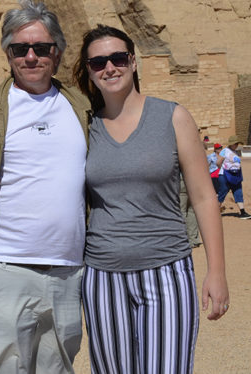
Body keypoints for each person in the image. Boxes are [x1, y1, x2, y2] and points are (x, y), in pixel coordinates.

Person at [0, 0, 91, 374]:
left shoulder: (83, 107)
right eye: (20, 48)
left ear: (56, 53)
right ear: (7, 53)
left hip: (68, 271)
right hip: (5, 268)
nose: (31, 57)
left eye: (41, 48)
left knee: (57, 368)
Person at [73, 24, 229, 374]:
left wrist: (216, 271)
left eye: (117, 58)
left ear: (133, 62)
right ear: (89, 71)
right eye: (98, 62)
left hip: (166, 268)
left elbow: (204, 197)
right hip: (103, 275)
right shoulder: (85, 126)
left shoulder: (172, 117)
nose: (109, 68)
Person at [217, 137, 251, 219]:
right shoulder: (225, 151)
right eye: (235, 143)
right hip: (224, 176)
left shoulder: (235, 152)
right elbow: (218, 162)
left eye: (237, 144)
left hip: (235, 176)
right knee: (222, 193)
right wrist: (222, 169)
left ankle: (243, 212)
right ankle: (214, 212)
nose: (237, 145)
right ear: (231, 144)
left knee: (238, 192)